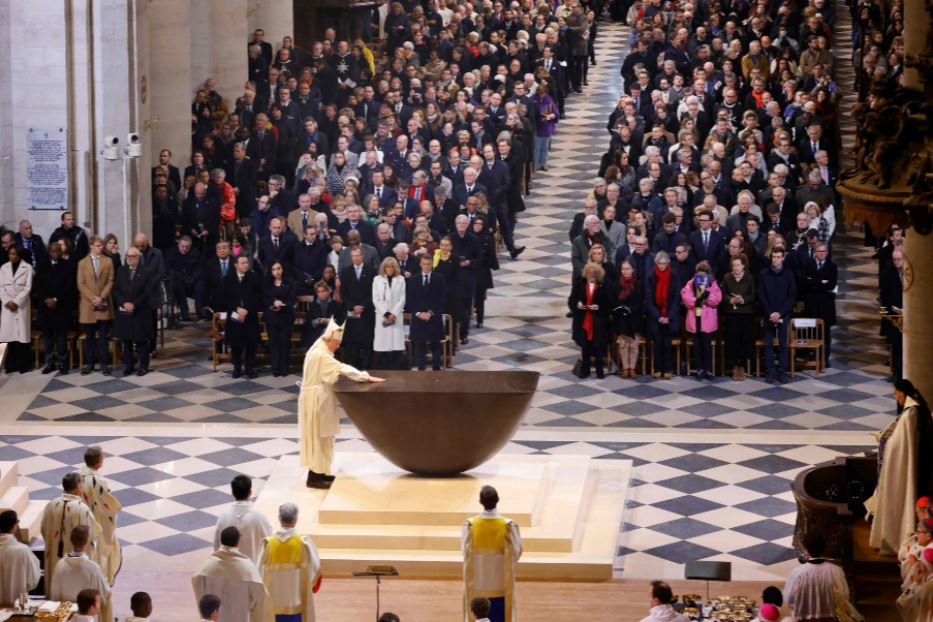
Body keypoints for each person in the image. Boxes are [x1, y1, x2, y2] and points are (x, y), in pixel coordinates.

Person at [298, 319, 384, 488]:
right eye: (336, 343)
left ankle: (321, 472)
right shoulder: (321, 354)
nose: (338, 346)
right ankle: (315, 477)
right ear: (328, 339)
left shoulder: (319, 348)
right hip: (316, 400)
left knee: (324, 437)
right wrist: (365, 377)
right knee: (318, 436)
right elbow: (341, 368)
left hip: (318, 396)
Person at [867, 380, 933, 554]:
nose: (896, 397)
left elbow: (901, 444)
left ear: (903, 393)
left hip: (902, 468)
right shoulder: (916, 408)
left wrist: (885, 441)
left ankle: (893, 540)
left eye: (896, 393)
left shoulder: (911, 413)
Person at [462, 486, 522, 622]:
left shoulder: (470, 526)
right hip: (501, 584)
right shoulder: (508, 526)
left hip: (476, 584)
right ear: (498, 500)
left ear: (480, 501)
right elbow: (516, 554)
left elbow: (464, 554)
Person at [259, 503, 322, 622]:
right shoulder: (304, 543)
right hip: (297, 601)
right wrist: (309, 587)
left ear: (279, 518)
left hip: (274, 603)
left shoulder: (268, 543)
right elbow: (316, 569)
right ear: (296, 520)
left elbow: (257, 573)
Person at [41, 473, 101, 591]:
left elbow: (44, 529)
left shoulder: (51, 505)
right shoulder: (82, 509)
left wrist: (53, 543)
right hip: (76, 562)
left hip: (54, 557)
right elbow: (92, 536)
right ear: (78, 487)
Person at [192, 527, 265, 622]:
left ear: (221, 541)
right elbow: (259, 596)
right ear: (237, 543)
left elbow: (199, 590)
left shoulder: (208, 566)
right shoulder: (247, 568)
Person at [48, 525, 113, 622]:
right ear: (87, 542)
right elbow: (105, 594)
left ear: (71, 540)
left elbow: (54, 596)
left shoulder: (60, 565)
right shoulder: (93, 568)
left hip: (66, 617)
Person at [77, 446, 122, 586]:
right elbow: (109, 507)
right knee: (100, 550)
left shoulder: (76, 477)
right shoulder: (99, 482)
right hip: (96, 523)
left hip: (79, 521)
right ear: (98, 462)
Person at [783, 532, 853, 621]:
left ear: (806, 551)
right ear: (824, 549)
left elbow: (788, 598)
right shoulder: (837, 571)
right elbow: (845, 595)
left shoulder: (797, 574)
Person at [113, 247, 156, 377]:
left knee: (141, 341)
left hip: (140, 311)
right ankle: (129, 365)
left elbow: (147, 292)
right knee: (126, 341)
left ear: (138, 258)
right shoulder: (121, 270)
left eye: (132, 256)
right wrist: (124, 303)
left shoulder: (146, 271)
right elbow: (116, 290)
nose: (129, 259)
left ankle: (143, 366)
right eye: (127, 256)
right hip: (125, 311)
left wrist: (134, 304)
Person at [213, 475, 273, 567]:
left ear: (232, 492)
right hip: (252, 571)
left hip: (229, 570)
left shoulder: (223, 517)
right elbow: (270, 543)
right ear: (250, 492)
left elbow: (216, 546)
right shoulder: (259, 518)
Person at [35, 242, 76, 375]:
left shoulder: (67, 266)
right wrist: (46, 299)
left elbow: (69, 287)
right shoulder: (42, 266)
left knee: (61, 338)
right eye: (53, 251)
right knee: (48, 338)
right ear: (49, 251)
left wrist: (56, 299)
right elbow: (37, 286)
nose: (55, 253)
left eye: (57, 251)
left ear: (61, 252)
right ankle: (50, 363)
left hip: (61, 308)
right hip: (45, 308)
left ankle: (62, 363)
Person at [76, 236, 115, 375]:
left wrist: (101, 297)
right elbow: (80, 283)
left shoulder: (108, 261)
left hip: (103, 303)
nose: (101, 248)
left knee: (103, 337)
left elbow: (110, 281)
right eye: (98, 246)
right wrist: (93, 298)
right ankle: (90, 363)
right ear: (91, 246)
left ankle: (104, 364)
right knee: (90, 337)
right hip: (88, 304)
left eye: (101, 246)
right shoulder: (82, 263)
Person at [757, 248, 796, 383]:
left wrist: (780, 312)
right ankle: (771, 372)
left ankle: (782, 371)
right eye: (774, 257)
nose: (775, 259)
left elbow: (791, 296)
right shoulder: (763, 274)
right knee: (768, 344)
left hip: (783, 314)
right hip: (768, 313)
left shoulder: (789, 274)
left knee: (783, 344)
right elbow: (761, 294)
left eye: (778, 257)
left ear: (783, 258)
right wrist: (770, 312)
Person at [681, 261, 722, 381]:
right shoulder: (690, 284)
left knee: (706, 346)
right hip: (695, 319)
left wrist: (707, 295)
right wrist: (696, 301)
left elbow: (717, 299)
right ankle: (699, 369)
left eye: (704, 275)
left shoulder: (713, 284)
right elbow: (685, 297)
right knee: (697, 346)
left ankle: (708, 369)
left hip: (707, 320)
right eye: (699, 275)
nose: (701, 278)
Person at [799, 241, 837, 367]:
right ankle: (813, 355)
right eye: (820, 251)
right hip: (812, 305)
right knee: (812, 332)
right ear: (815, 252)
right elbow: (804, 283)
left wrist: (814, 283)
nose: (822, 254)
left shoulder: (832, 266)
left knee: (826, 333)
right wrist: (821, 283)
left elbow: (831, 285)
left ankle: (825, 359)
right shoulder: (808, 265)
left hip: (826, 306)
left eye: (825, 251)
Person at [570, 262, 610, 379]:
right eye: (589, 273)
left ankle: (599, 371)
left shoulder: (603, 285)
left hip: (598, 321)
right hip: (583, 319)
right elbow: (572, 300)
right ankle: (585, 370)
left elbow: (608, 304)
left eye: (594, 274)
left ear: (597, 275)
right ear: (586, 274)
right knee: (585, 346)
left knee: (598, 346)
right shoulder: (580, 284)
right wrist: (577, 304)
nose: (591, 276)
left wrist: (599, 307)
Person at [224, 255, 263, 379]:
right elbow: (225, 298)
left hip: (250, 315)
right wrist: (237, 309)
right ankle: (236, 368)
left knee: (250, 343)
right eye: (243, 263)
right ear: (236, 265)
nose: (246, 265)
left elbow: (258, 297)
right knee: (236, 343)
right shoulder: (228, 279)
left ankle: (249, 368)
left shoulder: (254, 278)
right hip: (234, 316)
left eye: (247, 262)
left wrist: (247, 309)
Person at [645, 251, 681, 380]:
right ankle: (658, 368)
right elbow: (649, 300)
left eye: (664, 263)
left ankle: (667, 369)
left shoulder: (674, 275)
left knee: (667, 343)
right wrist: (659, 316)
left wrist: (668, 317)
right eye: (659, 263)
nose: (662, 266)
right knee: (658, 343)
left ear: (668, 263)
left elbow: (677, 298)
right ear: (656, 263)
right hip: (656, 316)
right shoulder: (651, 276)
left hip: (670, 315)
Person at [339, 246, 376, 370]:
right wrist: (352, 307)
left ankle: (367, 369)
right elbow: (344, 293)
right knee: (353, 343)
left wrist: (363, 306)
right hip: (352, 312)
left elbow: (373, 292)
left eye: (357, 255)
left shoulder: (371, 271)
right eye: (353, 256)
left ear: (362, 256)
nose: (355, 258)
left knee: (367, 343)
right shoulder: (345, 272)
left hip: (367, 312)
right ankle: (354, 369)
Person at [720, 253, 756, 381]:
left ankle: (743, 366)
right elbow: (722, 294)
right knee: (732, 340)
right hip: (731, 314)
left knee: (745, 340)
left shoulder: (749, 277)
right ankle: (734, 365)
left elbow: (753, 295)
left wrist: (742, 300)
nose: (735, 268)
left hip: (746, 314)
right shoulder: (727, 277)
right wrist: (731, 300)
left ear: (743, 266)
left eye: (737, 265)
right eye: (733, 265)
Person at [409, 254, 447, 371]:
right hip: (418, 319)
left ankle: (436, 371)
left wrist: (430, 312)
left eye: (428, 264)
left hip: (433, 318)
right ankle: (421, 371)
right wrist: (419, 313)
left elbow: (442, 299)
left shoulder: (439, 278)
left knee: (435, 346)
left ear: (432, 264)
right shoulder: (414, 279)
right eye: (424, 264)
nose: (426, 267)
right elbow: (410, 300)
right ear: (420, 264)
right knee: (420, 347)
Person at [0, 245, 33, 373]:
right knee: (9, 336)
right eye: (10, 254)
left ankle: (23, 365)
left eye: (14, 254)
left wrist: (16, 302)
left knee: (21, 336)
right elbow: (1, 288)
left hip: (21, 306)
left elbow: (27, 288)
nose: (11, 256)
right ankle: (10, 365)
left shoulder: (27, 267)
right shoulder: (4, 268)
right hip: (7, 306)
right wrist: (7, 302)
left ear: (19, 255)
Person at [372, 256, 406, 369]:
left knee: (396, 346)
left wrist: (393, 314)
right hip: (382, 316)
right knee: (383, 346)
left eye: (392, 266)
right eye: (387, 266)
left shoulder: (401, 279)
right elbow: (375, 298)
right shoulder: (377, 279)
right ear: (384, 267)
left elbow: (402, 298)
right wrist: (386, 314)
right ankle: (384, 371)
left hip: (396, 316)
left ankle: (396, 371)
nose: (390, 269)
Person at [263, 261, 296, 377]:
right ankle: (275, 368)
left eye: (278, 268)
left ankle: (284, 368)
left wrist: (283, 304)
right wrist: (273, 303)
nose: (277, 271)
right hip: (271, 318)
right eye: (274, 269)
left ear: (282, 269)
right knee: (274, 344)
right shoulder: (267, 284)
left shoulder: (290, 283)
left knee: (284, 343)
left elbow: (292, 300)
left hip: (285, 316)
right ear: (271, 272)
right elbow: (264, 299)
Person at [0, 510, 41, 605]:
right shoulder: (23, 550)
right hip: (17, 605)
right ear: (14, 526)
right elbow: (33, 579)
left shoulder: (22, 550)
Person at [614, 259, 644, 378]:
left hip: (635, 318)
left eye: (627, 269)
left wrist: (630, 309)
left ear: (632, 270)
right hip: (621, 318)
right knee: (623, 345)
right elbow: (614, 301)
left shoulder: (638, 284)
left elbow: (640, 301)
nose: (625, 271)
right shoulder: (617, 284)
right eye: (623, 269)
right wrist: (622, 309)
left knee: (634, 345)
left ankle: (632, 368)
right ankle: (625, 368)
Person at [166, 236, 204, 323]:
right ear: (178, 245)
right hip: (178, 280)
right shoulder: (171, 253)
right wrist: (183, 278)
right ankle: (185, 313)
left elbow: (200, 268)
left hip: (192, 280)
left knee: (200, 284)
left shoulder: (195, 253)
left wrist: (193, 278)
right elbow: (168, 270)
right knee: (178, 286)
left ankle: (200, 311)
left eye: (187, 247)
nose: (184, 249)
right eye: (182, 246)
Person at [471, 216, 498, 329]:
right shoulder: (469, 237)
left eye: (480, 223)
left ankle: (480, 320)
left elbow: (491, 256)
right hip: (470, 271)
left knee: (480, 297)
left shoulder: (487, 239)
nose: (477, 225)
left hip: (482, 271)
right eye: (475, 223)